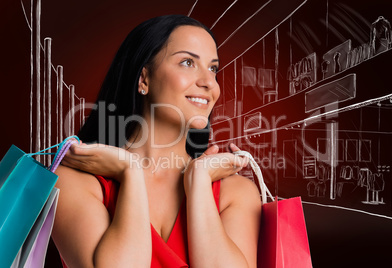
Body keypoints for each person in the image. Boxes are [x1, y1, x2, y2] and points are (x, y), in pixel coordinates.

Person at [52, 14, 261, 267]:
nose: (209, 83)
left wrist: (199, 181)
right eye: (187, 62)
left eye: (213, 68)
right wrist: (130, 172)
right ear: (143, 79)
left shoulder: (235, 193)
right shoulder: (74, 183)